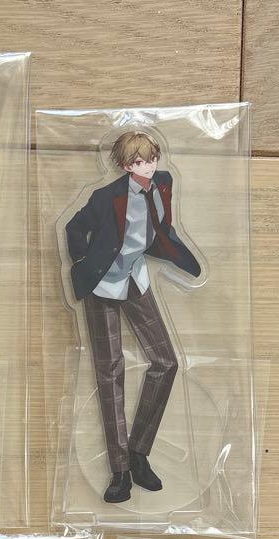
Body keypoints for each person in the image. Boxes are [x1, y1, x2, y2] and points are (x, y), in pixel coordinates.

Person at [64, 130, 201, 504]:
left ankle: (138, 452)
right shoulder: (106, 197)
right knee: (110, 372)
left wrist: (183, 258)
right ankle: (120, 470)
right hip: (102, 285)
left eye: (152, 158)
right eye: (140, 161)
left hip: (136, 278)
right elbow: (74, 228)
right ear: (126, 165)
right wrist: (84, 264)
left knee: (166, 362)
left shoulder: (163, 183)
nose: (148, 166)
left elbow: (162, 228)